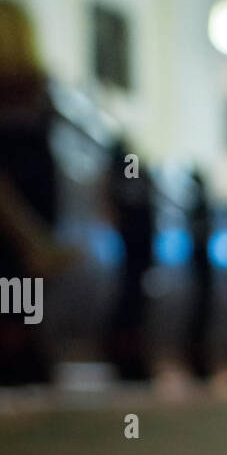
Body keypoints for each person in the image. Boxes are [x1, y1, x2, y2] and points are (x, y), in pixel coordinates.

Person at [0, 0, 60, 384]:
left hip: (26, 204)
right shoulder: (37, 87)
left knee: (18, 288)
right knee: (18, 287)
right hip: (24, 207)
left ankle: (19, 347)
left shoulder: (34, 86)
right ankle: (19, 348)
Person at [103, 137, 156, 381]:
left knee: (136, 304)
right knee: (127, 303)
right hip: (127, 255)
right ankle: (122, 356)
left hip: (139, 254)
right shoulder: (120, 174)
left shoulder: (140, 177)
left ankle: (130, 356)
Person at [186, 168, 213, 379]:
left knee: (202, 316)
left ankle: (201, 361)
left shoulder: (203, 208)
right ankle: (196, 361)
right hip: (195, 274)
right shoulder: (195, 208)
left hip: (202, 275)